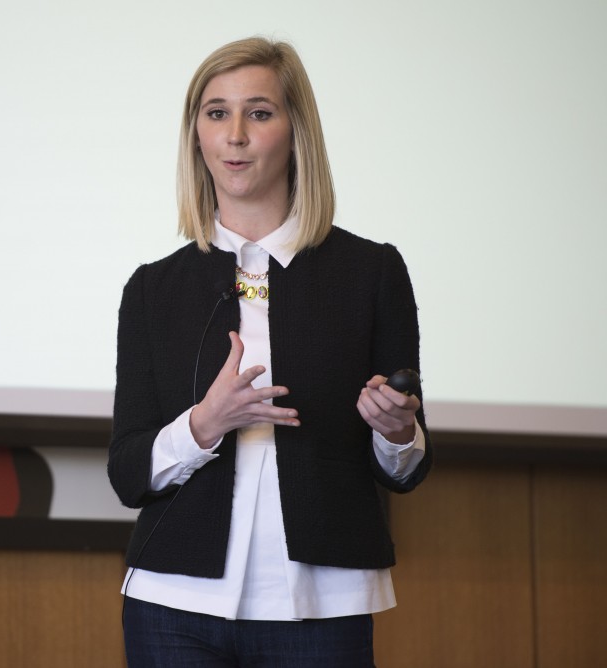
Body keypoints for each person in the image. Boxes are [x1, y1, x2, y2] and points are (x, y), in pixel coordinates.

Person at [108, 36, 431, 667]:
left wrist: (396, 431)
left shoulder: (371, 272)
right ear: (195, 136)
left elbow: (407, 467)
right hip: (173, 604)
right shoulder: (153, 289)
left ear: (295, 132)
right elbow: (127, 473)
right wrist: (206, 424)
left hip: (321, 604)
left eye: (258, 113)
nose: (235, 135)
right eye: (215, 112)